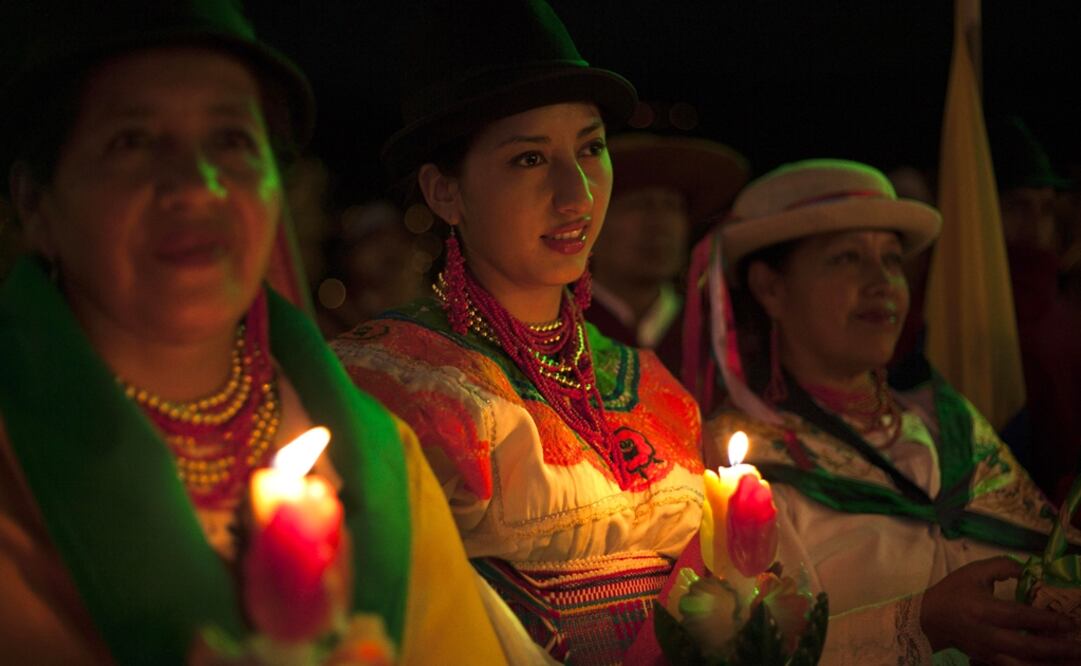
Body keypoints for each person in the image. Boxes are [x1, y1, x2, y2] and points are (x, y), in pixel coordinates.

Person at [0, 2, 507, 663]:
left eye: (231, 142)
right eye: (132, 142)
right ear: (35, 204)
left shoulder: (383, 462)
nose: (196, 186)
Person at [331, 1, 704, 663]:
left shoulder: (651, 387)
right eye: (530, 159)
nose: (577, 195)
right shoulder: (390, 382)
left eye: (590, 149)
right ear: (446, 193)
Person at [688, 159, 1081, 664]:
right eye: (846, 258)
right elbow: (754, 652)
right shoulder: (743, 465)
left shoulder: (949, 423)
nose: (881, 282)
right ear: (771, 288)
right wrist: (919, 625)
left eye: (893, 260)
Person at [588, 133, 748, 378]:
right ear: (591, 224)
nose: (660, 224)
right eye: (639, 204)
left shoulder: (717, 337)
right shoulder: (560, 330)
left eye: (672, 206)